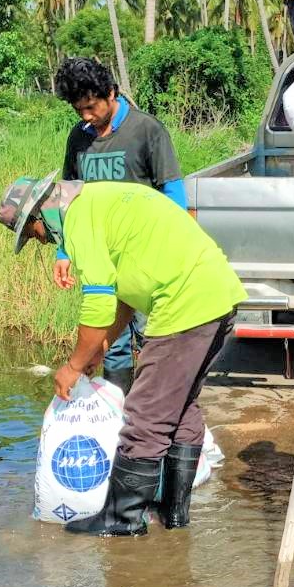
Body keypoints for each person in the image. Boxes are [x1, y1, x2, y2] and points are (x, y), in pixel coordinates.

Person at [0, 174, 247, 537]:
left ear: (41, 212)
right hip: (217, 297)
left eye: (32, 231)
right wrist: (101, 346)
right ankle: (174, 514)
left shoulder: (79, 218)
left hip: (183, 306)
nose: (40, 239)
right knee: (180, 407)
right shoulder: (103, 200)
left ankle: (122, 518)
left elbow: (98, 302)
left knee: (145, 414)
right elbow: (127, 294)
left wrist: (73, 366)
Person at [52, 57, 189, 395]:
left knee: (150, 338)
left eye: (91, 106)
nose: (86, 115)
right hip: (101, 259)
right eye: (78, 109)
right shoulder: (79, 138)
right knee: (108, 343)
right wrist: (63, 250)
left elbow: (173, 192)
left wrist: (169, 248)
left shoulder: (146, 130)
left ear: (110, 93)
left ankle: (153, 412)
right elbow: (68, 198)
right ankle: (114, 411)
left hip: (144, 262)